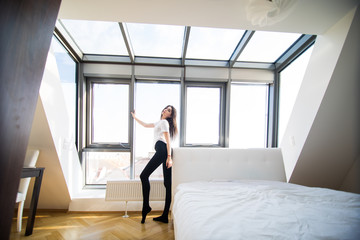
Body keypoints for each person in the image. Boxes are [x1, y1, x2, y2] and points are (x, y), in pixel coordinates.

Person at [131, 105, 178, 224]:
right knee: (167, 184)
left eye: (168, 110)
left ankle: (146, 206)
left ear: (170, 115)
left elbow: (168, 142)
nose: (164, 110)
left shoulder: (164, 123)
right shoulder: (159, 122)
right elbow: (146, 125)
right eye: (165, 108)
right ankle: (164, 216)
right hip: (163, 151)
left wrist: (169, 157)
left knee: (143, 176)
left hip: (163, 150)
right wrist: (135, 117)